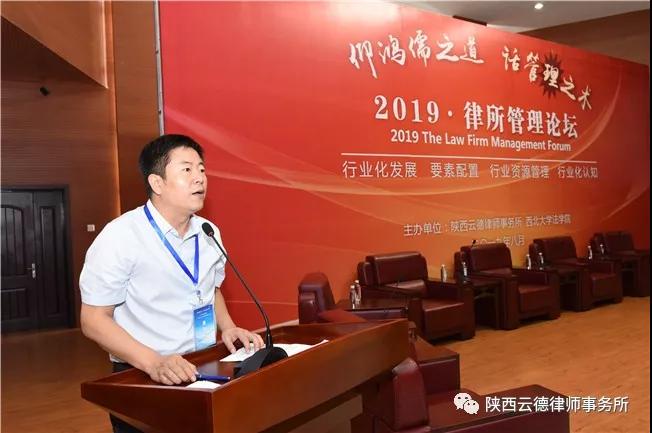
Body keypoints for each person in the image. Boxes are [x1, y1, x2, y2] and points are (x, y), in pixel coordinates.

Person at [79, 134, 264, 432]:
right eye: (187, 169)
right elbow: (93, 319)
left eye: (201, 169)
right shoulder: (120, 236)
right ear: (157, 183)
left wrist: (228, 326)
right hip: (142, 374)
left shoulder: (208, 232)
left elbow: (210, 289)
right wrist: (154, 363)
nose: (199, 178)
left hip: (202, 367)